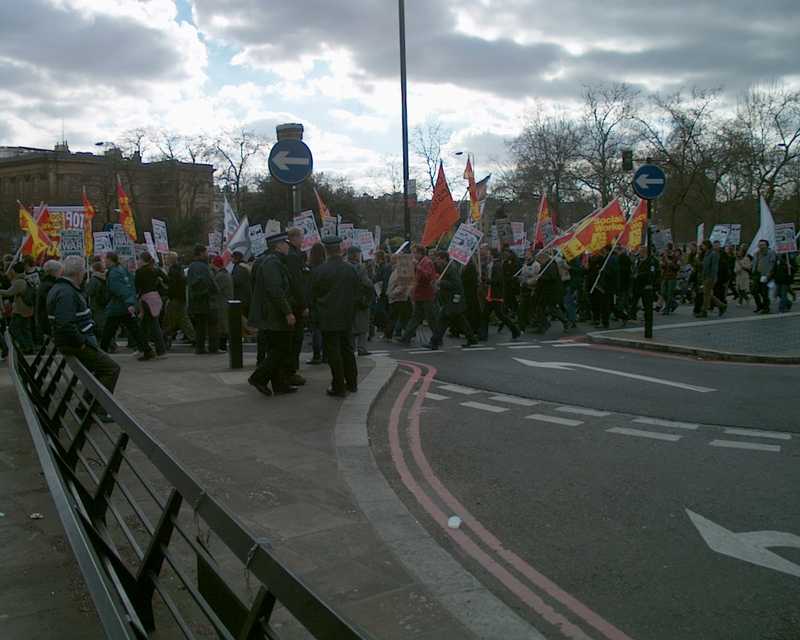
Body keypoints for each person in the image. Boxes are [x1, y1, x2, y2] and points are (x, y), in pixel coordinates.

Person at [47, 255, 121, 420]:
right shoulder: (66, 292)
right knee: (111, 368)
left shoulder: (60, 288)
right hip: (75, 343)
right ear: (79, 273)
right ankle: (98, 410)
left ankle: (86, 407)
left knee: (100, 369)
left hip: (72, 341)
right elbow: (65, 324)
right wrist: (81, 343)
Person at [248, 233, 297, 396]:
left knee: (277, 349)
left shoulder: (273, 261)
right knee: (281, 349)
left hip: (273, 314)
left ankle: (279, 384)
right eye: (285, 243)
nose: (288, 246)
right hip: (273, 315)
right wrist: (288, 312)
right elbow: (275, 290)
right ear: (278, 245)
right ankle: (258, 378)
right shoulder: (272, 263)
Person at [312, 236, 360, 397]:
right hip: (347, 315)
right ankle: (352, 383)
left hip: (327, 316)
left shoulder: (319, 271)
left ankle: (338, 385)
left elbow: (313, 295)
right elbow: (359, 291)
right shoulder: (351, 269)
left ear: (326, 250)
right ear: (340, 249)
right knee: (347, 349)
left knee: (333, 351)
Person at [100, 252, 154, 360]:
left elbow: (120, 289)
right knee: (134, 329)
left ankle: (101, 353)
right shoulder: (122, 270)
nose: (104, 262)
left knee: (108, 330)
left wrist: (129, 302)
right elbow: (130, 285)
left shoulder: (114, 273)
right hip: (124, 306)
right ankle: (147, 350)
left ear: (110, 260)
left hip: (118, 306)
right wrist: (131, 301)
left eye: (105, 260)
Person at [426, 251, 478, 349]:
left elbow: (456, 284)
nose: (436, 261)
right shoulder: (445, 268)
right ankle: (472, 339)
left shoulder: (451, 269)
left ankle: (434, 342)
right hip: (450, 300)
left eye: (438, 259)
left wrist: (441, 282)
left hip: (453, 299)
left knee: (443, 320)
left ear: (443, 259)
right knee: (459, 319)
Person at [399, 245, 438, 345]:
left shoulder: (427, 262)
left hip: (426, 295)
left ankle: (437, 338)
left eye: (415, 253)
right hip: (420, 294)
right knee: (416, 317)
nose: (413, 255)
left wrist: (417, 267)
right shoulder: (421, 262)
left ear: (420, 253)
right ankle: (406, 337)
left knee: (431, 318)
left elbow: (428, 277)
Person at [285, 227, 309, 384]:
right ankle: (291, 372)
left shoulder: (293, 255)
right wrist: (304, 305)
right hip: (295, 305)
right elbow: (297, 284)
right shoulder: (294, 257)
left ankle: (290, 371)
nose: (303, 241)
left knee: (292, 339)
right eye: (301, 238)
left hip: (291, 303)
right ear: (294, 238)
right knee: (295, 339)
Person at [481, 247, 520, 340]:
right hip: (492, 294)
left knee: (499, 315)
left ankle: (515, 330)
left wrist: (486, 280)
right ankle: (483, 335)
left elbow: (498, 280)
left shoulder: (497, 265)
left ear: (492, 255)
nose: (487, 254)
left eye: (488, 253)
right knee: (488, 315)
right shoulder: (492, 264)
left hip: (496, 294)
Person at [186, 245, 220, 354]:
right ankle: (213, 347)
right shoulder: (203, 267)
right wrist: (216, 290)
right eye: (206, 252)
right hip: (206, 300)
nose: (207, 254)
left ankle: (200, 348)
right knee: (212, 324)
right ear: (200, 253)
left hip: (196, 301)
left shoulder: (191, 266)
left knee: (200, 327)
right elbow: (210, 282)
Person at [135, 252, 168, 359]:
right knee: (151, 324)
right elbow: (167, 279)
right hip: (156, 297)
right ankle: (151, 349)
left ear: (142, 260)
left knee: (150, 325)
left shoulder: (140, 272)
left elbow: (137, 287)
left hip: (145, 298)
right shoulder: (156, 270)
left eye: (139, 259)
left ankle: (152, 350)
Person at [0, 262, 35, 354]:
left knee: (13, 329)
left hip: (20, 310)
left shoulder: (19, 281)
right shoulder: (26, 279)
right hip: (28, 308)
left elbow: (9, 292)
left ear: (15, 271)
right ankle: (30, 347)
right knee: (25, 329)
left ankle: (25, 346)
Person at [162, 252, 195, 348]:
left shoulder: (173, 270)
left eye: (167, 258)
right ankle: (193, 338)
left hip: (175, 298)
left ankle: (166, 337)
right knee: (183, 319)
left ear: (171, 259)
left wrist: (167, 290)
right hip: (180, 297)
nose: (166, 260)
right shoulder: (179, 269)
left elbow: (172, 285)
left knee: (169, 319)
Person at [347, 245, 374, 356]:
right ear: (356, 254)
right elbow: (367, 283)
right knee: (362, 325)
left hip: (349, 300)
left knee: (352, 326)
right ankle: (362, 348)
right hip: (361, 299)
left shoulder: (345, 266)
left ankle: (352, 348)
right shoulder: (361, 267)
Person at [306, 242, 327, 364]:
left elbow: (308, 288)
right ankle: (326, 355)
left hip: (314, 302)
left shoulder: (310, 269)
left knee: (316, 330)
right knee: (324, 330)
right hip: (326, 302)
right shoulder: (326, 267)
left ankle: (316, 355)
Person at [385, 253, 414, 341]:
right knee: (399, 317)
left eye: (394, 259)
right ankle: (402, 334)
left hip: (399, 297)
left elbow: (403, 285)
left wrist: (392, 294)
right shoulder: (397, 269)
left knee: (398, 317)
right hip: (397, 297)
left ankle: (405, 335)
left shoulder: (403, 270)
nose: (392, 261)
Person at [85, 258, 111, 349]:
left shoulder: (94, 279)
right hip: (105, 303)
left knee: (99, 325)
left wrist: (86, 285)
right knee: (105, 324)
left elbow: (88, 292)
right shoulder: (106, 277)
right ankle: (110, 344)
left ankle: (107, 345)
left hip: (96, 305)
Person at [211, 255, 234, 351]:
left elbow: (214, 289)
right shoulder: (225, 274)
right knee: (224, 326)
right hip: (225, 302)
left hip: (222, 304)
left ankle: (222, 346)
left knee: (222, 327)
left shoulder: (220, 276)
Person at [698, 240, 727, 317]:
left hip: (710, 277)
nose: (702, 246)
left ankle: (704, 311)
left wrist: (712, 277)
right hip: (706, 276)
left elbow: (714, 267)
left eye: (703, 245)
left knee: (706, 294)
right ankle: (721, 306)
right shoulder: (707, 254)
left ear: (706, 245)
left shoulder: (713, 254)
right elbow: (705, 265)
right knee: (707, 294)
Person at [36, 259, 63, 339]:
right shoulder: (49, 285)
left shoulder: (46, 282)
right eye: (59, 271)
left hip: (46, 318)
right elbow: (52, 303)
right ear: (53, 272)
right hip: (48, 319)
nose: (61, 274)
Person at [752, 239, 776, 314]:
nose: (761, 246)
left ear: (767, 245)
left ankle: (766, 307)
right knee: (754, 291)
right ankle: (759, 306)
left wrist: (769, 274)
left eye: (763, 245)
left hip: (766, 275)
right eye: (760, 244)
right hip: (757, 274)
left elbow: (772, 264)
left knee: (764, 292)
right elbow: (754, 263)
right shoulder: (756, 253)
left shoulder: (771, 252)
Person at [230, 250, 252, 319]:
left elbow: (236, 281)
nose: (231, 259)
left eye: (232, 257)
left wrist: (230, 278)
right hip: (245, 296)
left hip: (242, 297)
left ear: (236, 258)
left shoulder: (239, 267)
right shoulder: (243, 266)